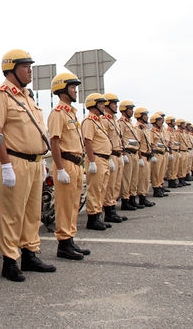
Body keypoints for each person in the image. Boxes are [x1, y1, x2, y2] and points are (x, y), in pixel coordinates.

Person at [0, 49, 55, 282]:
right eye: (25, 66)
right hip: (13, 161)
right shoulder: (1, 95)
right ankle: (9, 261)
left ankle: (30, 254)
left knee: (32, 212)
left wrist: (42, 161)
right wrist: (5, 165)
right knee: (11, 213)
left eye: (30, 66)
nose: (30, 71)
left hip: (34, 163)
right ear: (12, 69)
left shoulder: (27, 97)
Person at [47, 72, 90, 260]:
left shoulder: (71, 113)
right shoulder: (58, 114)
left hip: (76, 164)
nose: (75, 91)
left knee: (74, 205)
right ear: (63, 89)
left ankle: (70, 239)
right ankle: (63, 244)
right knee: (64, 206)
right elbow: (54, 142)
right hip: (66, 163)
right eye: (72, 87)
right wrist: (60, 167)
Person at [81, 93, 114, 231]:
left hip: (104, 159)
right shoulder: (89, 121)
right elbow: (88, 142)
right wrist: (92, 161)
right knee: (95, 189)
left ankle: (98, 215)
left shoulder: (98, 121)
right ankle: (93, 218)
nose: (103, 106)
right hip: (96, 158)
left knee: (102, 189)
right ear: (93, 104)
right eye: (100, 104)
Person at [100, 93, 128, 223]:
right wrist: (109, 156)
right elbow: (105, 139)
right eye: (114, 103)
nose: (116, 106)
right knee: (110, 185)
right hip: (110, 155)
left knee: (116, 184)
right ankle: (109, 211)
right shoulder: (104, 120)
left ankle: (113, 208)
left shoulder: (114, 120)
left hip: (118, 154)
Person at [118, 100, 143, 210]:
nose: (132, 111)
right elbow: (120, 138)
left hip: (134, 153)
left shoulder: (130, 123)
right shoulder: (121, 123)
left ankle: (133, 198)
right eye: (130, 109)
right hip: (127, 152)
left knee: (134, 178)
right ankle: (125, 199)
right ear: (124, 109)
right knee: (127, 179)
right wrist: (123, 153)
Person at [134, 107, 155, 207]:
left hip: (147, 156)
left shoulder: (144, 128)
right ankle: (142, 197)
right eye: (145, 115)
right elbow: (137, 144)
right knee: (142, 179)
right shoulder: (138, 128)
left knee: (146, 178)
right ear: (139, 116)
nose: (147, 117)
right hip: (142, 156)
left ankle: (144, 196)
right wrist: (140, 158)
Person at [149, 113, 169, 198]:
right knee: (156, 174)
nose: (161, 122)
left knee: (161, 173)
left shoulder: (160, 131)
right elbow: (150, 143)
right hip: (156, 153)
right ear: (155, 121)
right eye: (159, 120)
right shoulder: (152, 131)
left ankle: (160, 187)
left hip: (162, 153)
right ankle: (156, 189)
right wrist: (152, 154)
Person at [165, 116, 182, 188]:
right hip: (172, 151)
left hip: (176, 150)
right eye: (173, 121)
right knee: (171, 167)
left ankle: (174, 179)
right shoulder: (168, 131)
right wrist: (170, 152)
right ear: (169, 122)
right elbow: (168, 142)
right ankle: (171, 181)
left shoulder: (173, 131)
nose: (174, 123)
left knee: (175, 167)